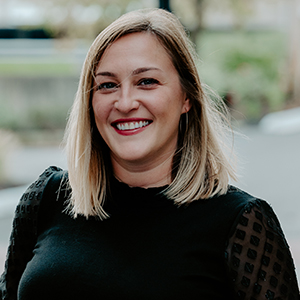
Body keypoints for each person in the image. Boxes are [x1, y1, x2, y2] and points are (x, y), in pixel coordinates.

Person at [0, 8, 299, 300]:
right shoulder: (46, 198)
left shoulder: (241, 223)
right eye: (107, 85)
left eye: (147, 82)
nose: (125, 102)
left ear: (186, 97)